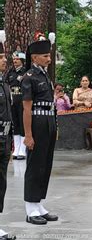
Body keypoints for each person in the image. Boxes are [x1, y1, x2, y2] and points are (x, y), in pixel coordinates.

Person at [22, 36, 59, 225]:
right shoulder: (29, 78)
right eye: (45, 55)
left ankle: (39, 204)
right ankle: (30, 208)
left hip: (48, 121)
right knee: (35, 166)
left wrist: (55, 126)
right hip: (36, 122)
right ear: (35, 58)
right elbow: (26, 108)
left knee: (45, 165)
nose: (49, 58)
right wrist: (28, 135)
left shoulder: (44, 75)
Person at [0, 39, 17, 240]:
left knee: (1, 184)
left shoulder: (4, 82)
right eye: (2, 57)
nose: (5, 60)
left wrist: (11, 141)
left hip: (3, 139)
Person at [6, 51, 27, 160]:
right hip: (13, 101)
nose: (15, 61)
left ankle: (23, 149)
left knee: (23, 124)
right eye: (14, 59)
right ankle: (16, 149)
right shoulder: (10, 72)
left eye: (17, 59)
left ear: (22, 60)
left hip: (22, 100)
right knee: (15, 125)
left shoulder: (25, 72)